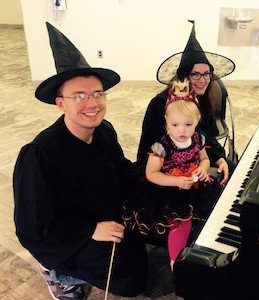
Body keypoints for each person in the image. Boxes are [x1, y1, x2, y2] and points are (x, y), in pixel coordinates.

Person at [13, 22, 147, 299]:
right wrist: (89, 230)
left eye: (98, 93)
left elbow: (121, 171)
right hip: (68, 234)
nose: (92, 104)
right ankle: (58, 272)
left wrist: (157, 172)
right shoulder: (40, 155)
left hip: (106, 214)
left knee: (139, 261)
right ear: (60, 103)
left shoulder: (104, 130)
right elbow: (33, 226)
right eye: (80, 96)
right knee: (123, 274)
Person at [124, 79, 222, 270]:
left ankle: (202, 247)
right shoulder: (162, 146)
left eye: (188, 124)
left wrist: (203, 167)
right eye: (175, 125)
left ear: (198, 121)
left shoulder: (198, 138)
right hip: (168, 187)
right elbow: (151, 173)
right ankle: (175, 263)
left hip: (194, 183)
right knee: (180, 223)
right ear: (167, 122)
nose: (182, 130)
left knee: (212, 210)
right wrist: (176, 180)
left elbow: (204, 159)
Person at [137, 20, 236, 187]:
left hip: (197, 164)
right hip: (168, 171)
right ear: (184, 76)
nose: (202, 80)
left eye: (206, 74)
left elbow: (209, 136)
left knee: (231, 170)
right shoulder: (160, 103)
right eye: (195, 74)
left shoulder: (204, 100)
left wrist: (219, 158)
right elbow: (149, 145)